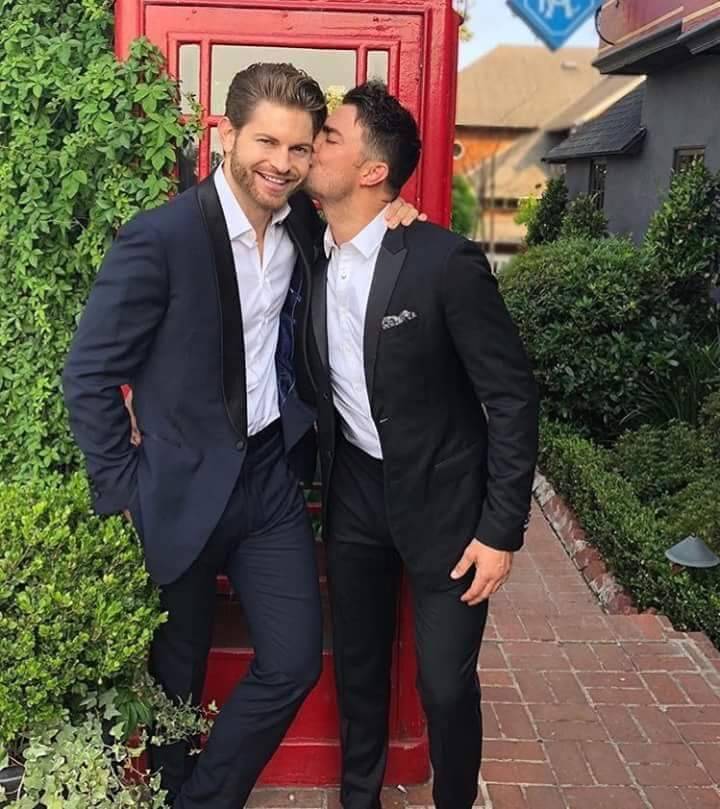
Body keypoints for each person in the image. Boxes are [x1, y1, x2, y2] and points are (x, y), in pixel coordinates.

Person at [62, 64, 419, 809]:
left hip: (266, 479)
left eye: (299, 148)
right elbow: (89, 374)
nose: (282, 164)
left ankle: (202, 800)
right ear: (227, 135)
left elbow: (360, 220)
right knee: (177, 680)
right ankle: (176, 793)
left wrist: (395, 210)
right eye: (266, 142)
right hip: (178, 487)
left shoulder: (305, 228)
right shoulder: (161, 238)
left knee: (293, 661)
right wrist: (123, 488)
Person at [304, 82, 539, 809]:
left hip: (447, 506)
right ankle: (360, 799)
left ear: (373, 171)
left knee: (442, 684)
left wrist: (500, 531)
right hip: (355, 493)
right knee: (359, 670)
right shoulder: (305, 245)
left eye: (330, 137)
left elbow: (512, 397)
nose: (312, 145)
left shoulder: (443, 261)